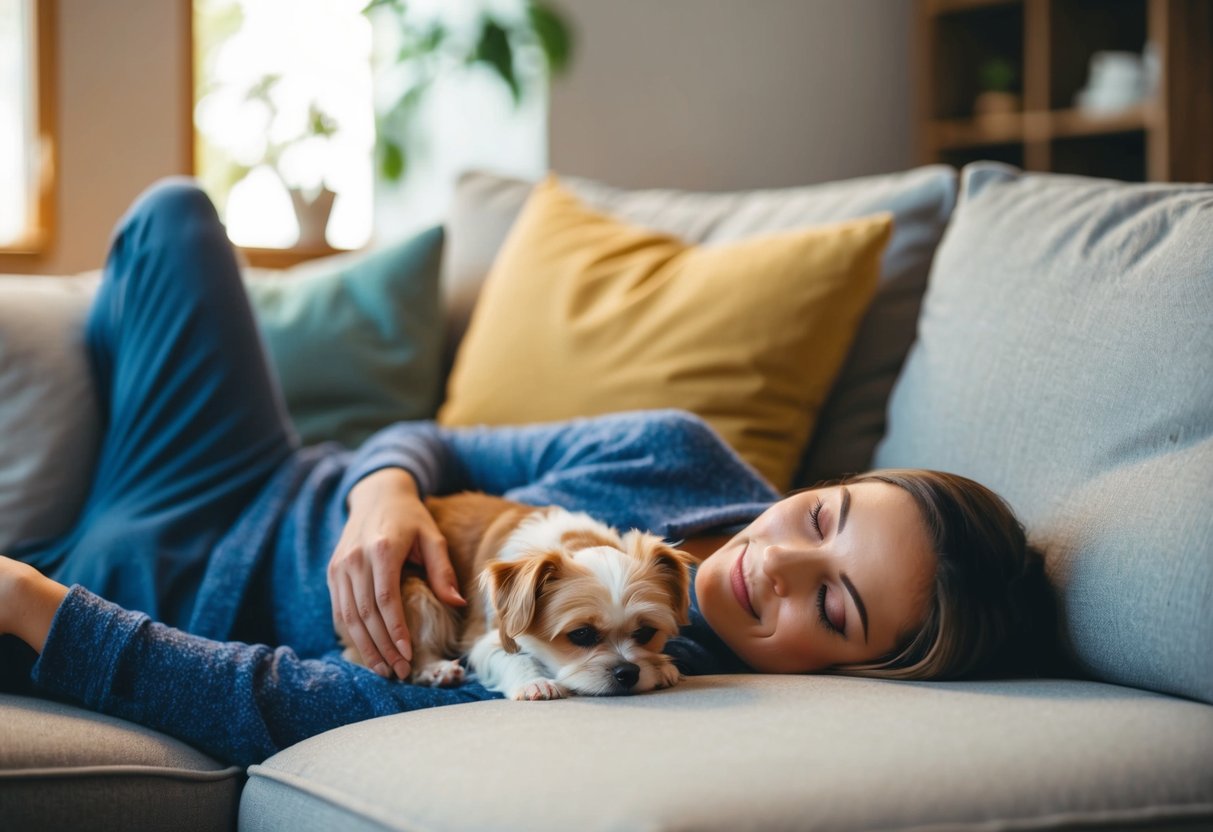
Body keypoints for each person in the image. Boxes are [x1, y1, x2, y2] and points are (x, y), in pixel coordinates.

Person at [0, 180, 1057, 768]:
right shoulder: (677, 451)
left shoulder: (607, 677)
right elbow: (440, 441)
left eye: (832, 603)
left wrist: (45, 608)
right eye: (821, 511)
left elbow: (283, 703)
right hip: (254, 470)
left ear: (854, 671)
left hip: (169, 592)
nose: (775, 561)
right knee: (172, 216)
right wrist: (386, 490)